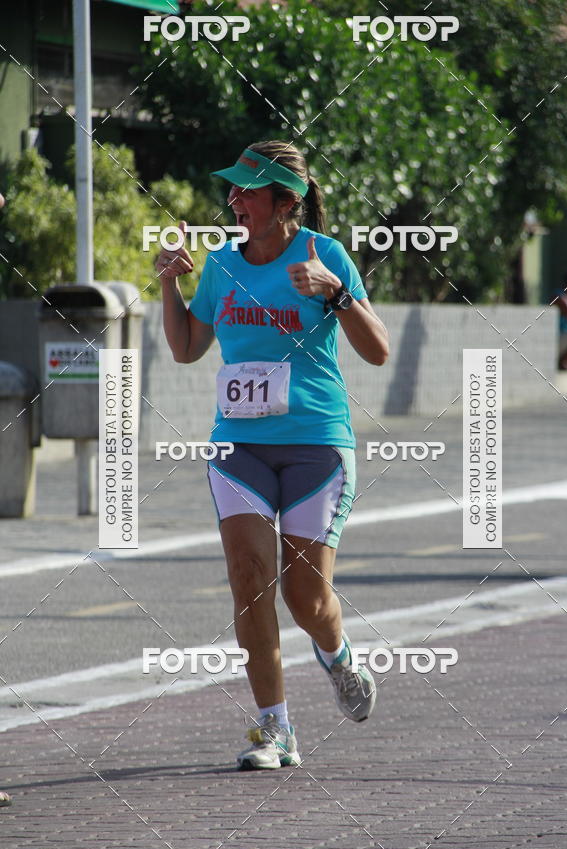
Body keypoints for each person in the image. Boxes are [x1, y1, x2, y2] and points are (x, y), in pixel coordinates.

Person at [156, 140, 389, 770]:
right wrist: (169, 285)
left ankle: (337, 654)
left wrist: (337, 292)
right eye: (231, 189)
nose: (233, 199)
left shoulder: (324, 254)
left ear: (286, 202)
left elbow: (378, 350)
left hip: (316, 445)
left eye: (247, 189)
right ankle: (274, 727)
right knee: (249, 580)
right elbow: (186, 348)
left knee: (306, 600)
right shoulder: (223, 264)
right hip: (239, 447)